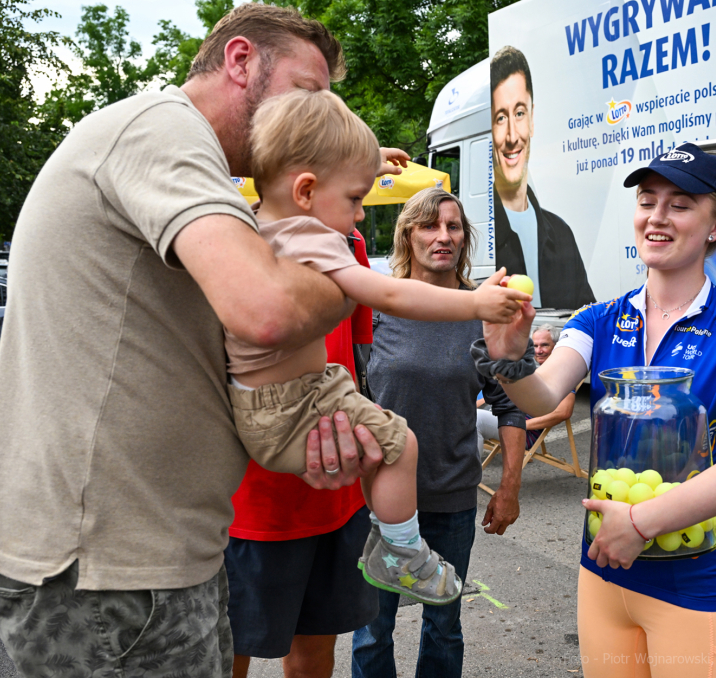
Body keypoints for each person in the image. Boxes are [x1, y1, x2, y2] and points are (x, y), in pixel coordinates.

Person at [0, 6, 391, 678]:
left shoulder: (200, 173)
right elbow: (268, 310)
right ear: (241, 60)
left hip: (141, 558)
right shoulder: (163, 130)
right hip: (108, 569)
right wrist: (351, 270)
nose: (320, 118)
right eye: (308, 93)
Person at [476, 143, 716, 678]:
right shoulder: (598, 318)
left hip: (692, 588)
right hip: (602, 572)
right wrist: (508, 355)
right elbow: (542, 399)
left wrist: (642, 523)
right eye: (647, 200)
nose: (657, 216)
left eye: (680, 204)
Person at [224, 90, 529, 604]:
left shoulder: (254, 220)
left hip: (281, 397)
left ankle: (395, 545)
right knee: (399, 444)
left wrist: (363, 160)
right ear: (306, 191)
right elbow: (390, 291)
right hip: (294, 402)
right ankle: (401, 551)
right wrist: (475, 304)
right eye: (353, 199)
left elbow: (278, 162)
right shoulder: (314, 237)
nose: (361, 215)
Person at [352, 187, 527, 678]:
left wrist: (509, 487)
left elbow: (510, 405)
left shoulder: (481, 309)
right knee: (371, 630)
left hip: (451, 498)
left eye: (453, 227)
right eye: (429, 225)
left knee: (444, 626)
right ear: (408, 234)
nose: (443, 236)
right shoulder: (376, 306)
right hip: (377, 502)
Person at [226, 225, 379, 678]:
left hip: (335, 494)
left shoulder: (350, 241)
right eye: (352, 192)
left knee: (314, 655)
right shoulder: (233, 234)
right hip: (248, 502)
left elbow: (359, 348)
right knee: (228, 653)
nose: (357, 207)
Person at [491, 45, 595, 310]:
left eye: (519, 113)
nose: (513, 136)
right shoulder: (478, 237)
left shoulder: (562, 235)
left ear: (532, 119)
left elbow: (587, 314)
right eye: (500, 118)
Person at [476, 323, 575, 451]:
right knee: (463, 417)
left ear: (556, 347)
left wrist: (521, 424)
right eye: (535, 345)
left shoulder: (561, 374)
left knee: (476, 420)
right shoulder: (533, 370)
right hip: (504, 416)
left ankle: (472, 471)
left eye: (544, 345)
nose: (538, 351)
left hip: (522, 430)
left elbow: (563, 412)